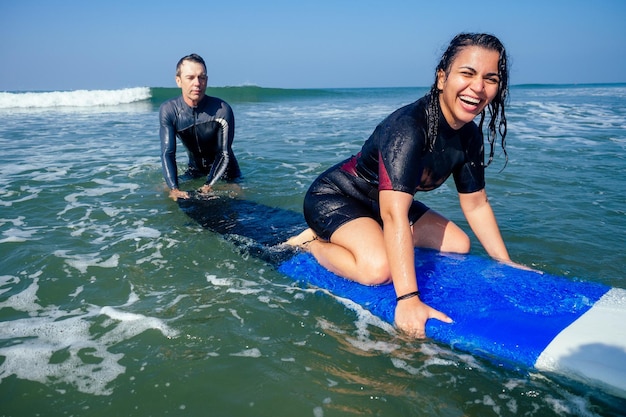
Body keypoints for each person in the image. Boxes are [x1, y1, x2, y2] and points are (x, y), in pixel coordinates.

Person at [287, 33, 528, 339]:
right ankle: (312, 243)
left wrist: (504, 263)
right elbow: (395, 215)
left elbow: (476, 204)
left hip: (384, 206)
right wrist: (408, 299)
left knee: (458, 244)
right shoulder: (408, 128)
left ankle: (365, 236)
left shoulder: (469, 136)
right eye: (467, 73)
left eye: (490, 78)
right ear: (442, 78)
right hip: (337, 197)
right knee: (378, 270)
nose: (478, 87)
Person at [160, 53, 241, 200]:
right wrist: (174, 189)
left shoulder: (222, 110)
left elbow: (224, 153)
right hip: (194, 171)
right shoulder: (170, 110)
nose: (197, 83)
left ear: (206, 80)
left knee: (235, 195)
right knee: (163, 188)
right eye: (190, 78)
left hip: (225, 174)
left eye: (201, 77)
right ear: (178, 81)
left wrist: (209, 185)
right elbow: (168, 153)